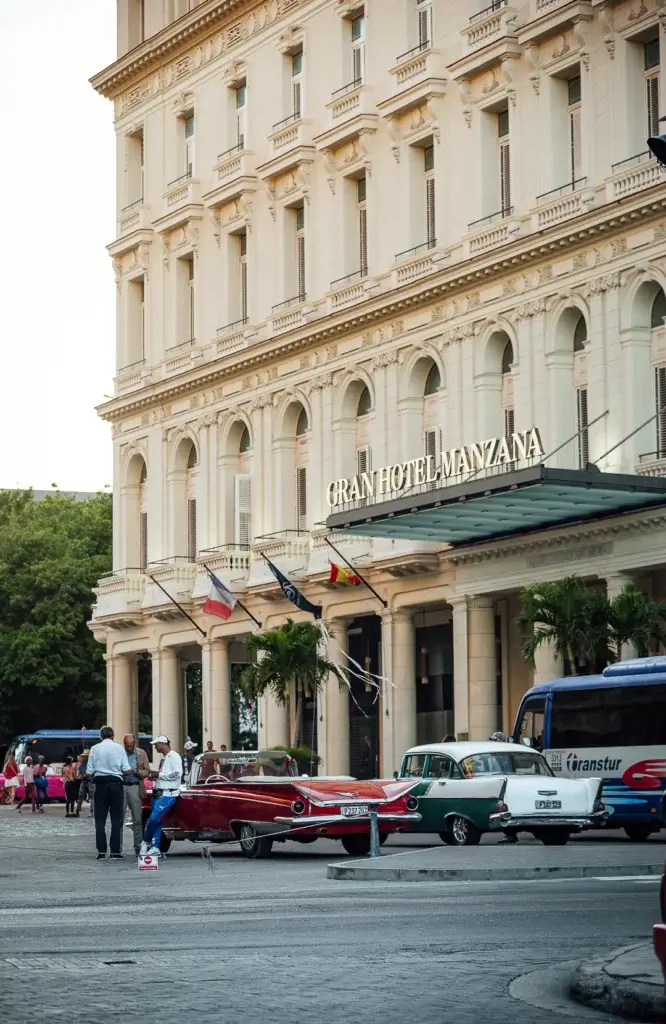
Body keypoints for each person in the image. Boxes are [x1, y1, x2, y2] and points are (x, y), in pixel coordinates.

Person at [86, 726, 132, 860]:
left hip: (100, 784)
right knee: (116, 819)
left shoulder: (94, 749)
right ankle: (115, 852)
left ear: (101, 736)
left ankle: (101, 851)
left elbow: (89, 771)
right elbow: (126, 769)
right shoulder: (119, 748)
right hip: (116, 784)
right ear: (113, 735)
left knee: (99, 819)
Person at [140, 736, 183, 857]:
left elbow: (177, 773)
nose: (155, 747)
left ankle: (145, 842)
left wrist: (159, 774)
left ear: (163, 744)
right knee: (157, 821)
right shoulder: (165, 758)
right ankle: (155, 846)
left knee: (154, 819)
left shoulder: (174, 756)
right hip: (160, 792)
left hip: (168, 794)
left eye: (156, 744)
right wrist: (155, 777)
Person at [122, 734, 151, 856]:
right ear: (124, 744)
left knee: (137, 819)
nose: (129, 748)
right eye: (127, 746)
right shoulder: (119, 753)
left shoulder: (141, 753)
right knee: (118, 819)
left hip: (135, 785)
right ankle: (116, 849)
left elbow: (147, 771)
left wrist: (137, 772)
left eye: (131, 746)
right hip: (121, 786)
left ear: (135, 743)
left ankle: (138, 847)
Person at [76, 750, 93, 817]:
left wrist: (85, 775)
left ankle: (92, 811)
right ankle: (78, 810)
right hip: (83, 781)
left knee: (92, 797)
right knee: (80, 796)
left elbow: (91, 772)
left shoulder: (91, 763)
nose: (83, 757)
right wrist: (79, 776)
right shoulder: (83, 763)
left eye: (85, 756)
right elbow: (80, 772)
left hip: (90, 781)